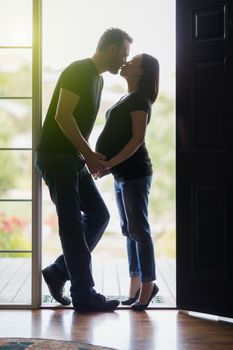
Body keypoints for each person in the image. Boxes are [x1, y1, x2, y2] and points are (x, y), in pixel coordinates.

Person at [35, 28, 133, 311]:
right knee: (72, 226)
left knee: (99, 215)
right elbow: (62, 116)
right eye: (123, 54)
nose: (124, 61)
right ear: (111, 49)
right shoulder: (79, 70)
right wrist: (88, 154)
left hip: (72, 158)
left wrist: (89, 157)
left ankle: (58, 272)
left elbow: (78, 124)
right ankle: (83, 295)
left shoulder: (98, 81)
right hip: (55, 156)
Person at [95, 53, 159, 311]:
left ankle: (147, 287)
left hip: (135, 175)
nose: (126, 62)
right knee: (128, 231)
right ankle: (134, 285)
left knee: (139, 231)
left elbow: (136, 140)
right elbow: (121, 139)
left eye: (132, 61)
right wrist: (108, 168)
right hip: (123, 175)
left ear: (141, 71)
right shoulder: (127, 97)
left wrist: (109, 163)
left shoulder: (140, 101)